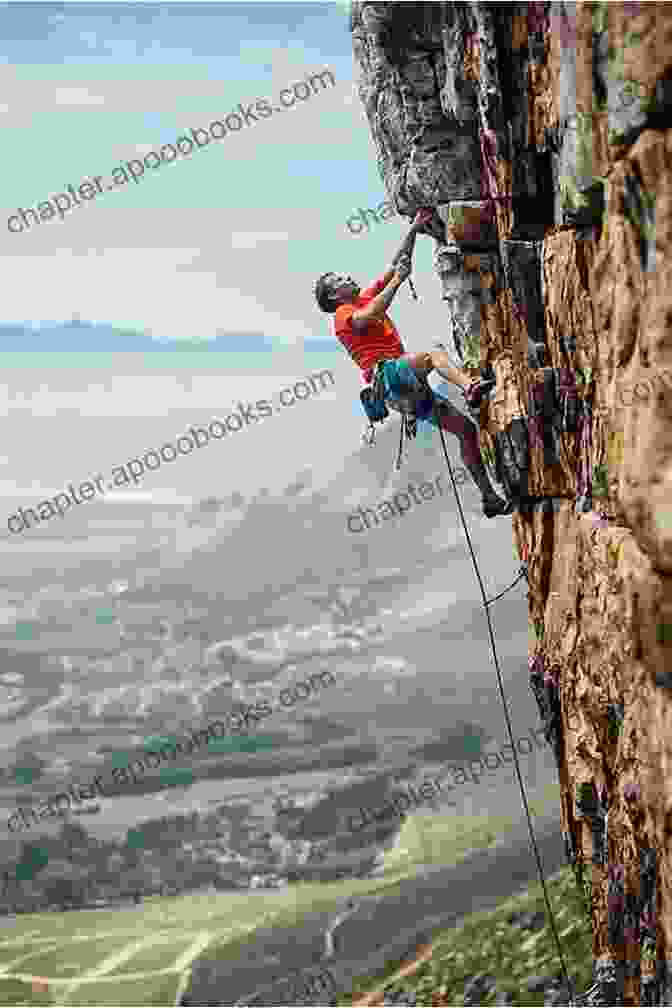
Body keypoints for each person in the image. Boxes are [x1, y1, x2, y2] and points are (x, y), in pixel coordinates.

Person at [313, 210, 511, 517]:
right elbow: (371, 316)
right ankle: (470, 386)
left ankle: (489, 498)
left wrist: (415, 229)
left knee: (466, 430)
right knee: (433, 355)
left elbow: (395, 265)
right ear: (334, 296)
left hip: (401, 390)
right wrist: (398, 282)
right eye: (339, 279)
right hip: (389, 375)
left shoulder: (363, 298)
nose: (348, 277)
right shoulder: (344, 315)